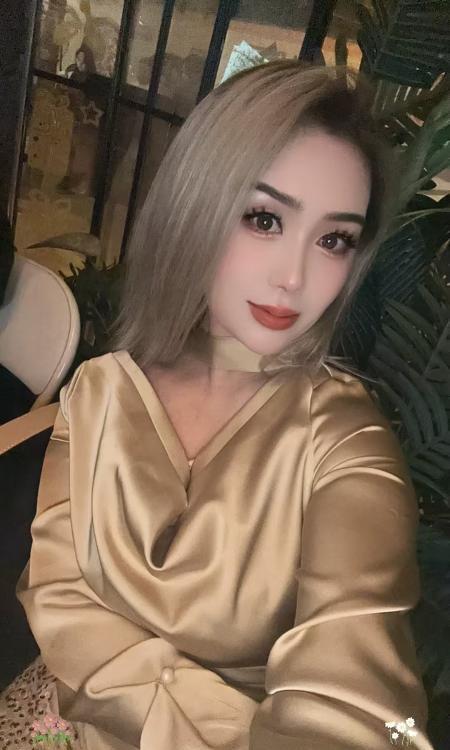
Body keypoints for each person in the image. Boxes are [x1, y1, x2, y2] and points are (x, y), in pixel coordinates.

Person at [0, 62, 434, 749]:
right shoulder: (103, 390)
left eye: (333, 240)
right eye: (264, 219)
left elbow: (358, 708)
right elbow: (56, 591)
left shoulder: (343, 441)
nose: (293, 276)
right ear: (193, 209)